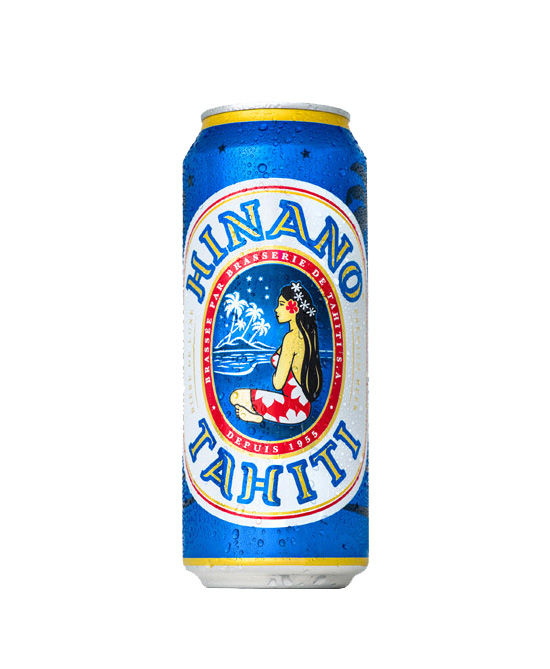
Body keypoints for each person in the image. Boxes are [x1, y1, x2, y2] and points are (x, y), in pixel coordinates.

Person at [230, 282, 323, 424]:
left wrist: (275, 374)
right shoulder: (304, 336)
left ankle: (256, 417)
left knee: (235, 396)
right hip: (302, 406)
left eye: (281, 304)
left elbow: (278, 383)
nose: (276, 309)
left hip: (294, 409)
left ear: (294, 308)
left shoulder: (291, 338)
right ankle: (255, 414)